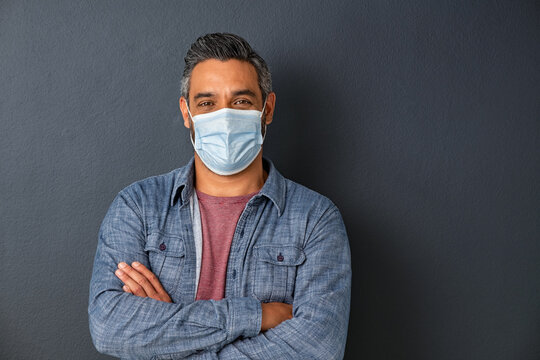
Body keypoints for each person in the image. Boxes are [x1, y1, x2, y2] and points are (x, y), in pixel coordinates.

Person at [88, 32, 351, 359]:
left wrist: (171, 331)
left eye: (241, 101)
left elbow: (317, 347)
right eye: (207, 103)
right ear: (187, 113)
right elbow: (109, 325)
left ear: (267, 109)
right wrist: (257, 316)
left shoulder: (316, 219)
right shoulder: (138, 206)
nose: (224, 117)